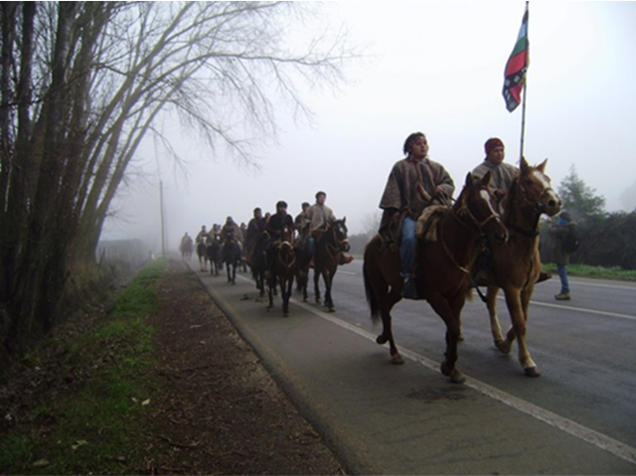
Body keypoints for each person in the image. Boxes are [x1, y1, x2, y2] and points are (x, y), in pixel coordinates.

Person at [378, 132, 455, 299]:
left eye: (425, 143)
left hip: (436, 212)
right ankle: (407, 277)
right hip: (411, 214)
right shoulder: (400, 167)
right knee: (410, 238)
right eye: (418, 143)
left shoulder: (436, 167)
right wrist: (396, 211)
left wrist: (443, 187)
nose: (423, 146)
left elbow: (449, 183)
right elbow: (393, 191)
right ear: (409, 147)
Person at [471, 137, 551, 285]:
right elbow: (479, 190)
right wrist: (494, 192)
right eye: (496, 151)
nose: (499, 154)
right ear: (488, 153)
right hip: (492, 213)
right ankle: (483, 269)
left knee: (531, 234)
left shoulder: (512, 170)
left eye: (501, 150)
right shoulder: (479, 171)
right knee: (484, 238)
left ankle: (535, 268)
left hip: (511, 215)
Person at [305, 191, 354, 266]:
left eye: (324, 197)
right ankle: (312, 259)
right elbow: (305, 218)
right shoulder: (311, 208)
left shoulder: (328, 210)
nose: (322, 199)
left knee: (336, 240)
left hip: (326, 231)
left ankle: (342, 257)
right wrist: (308, 224)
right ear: (317, 198)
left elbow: (333, 219)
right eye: (320, 197)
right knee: (311, 243)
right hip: (315, 231)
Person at [549, 210, 575, 300]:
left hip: (562, 254)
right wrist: (554, 223)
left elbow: (552, 231)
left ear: (564, 219)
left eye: (560, 219)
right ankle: (564, 290)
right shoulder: (567, 227)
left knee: (562, 272)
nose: (559, 220)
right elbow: (557, 228)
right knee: (562, 271)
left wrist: (550, 224)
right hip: (564, 253)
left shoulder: (564, 229)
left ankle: (566, 291)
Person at [266, 201, 295, 270]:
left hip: (287, 238)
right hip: (276, 237)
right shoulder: (273, 218)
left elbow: (292, 226)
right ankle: (269, 269)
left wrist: (290, 231)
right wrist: (276, 232)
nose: (282, 209)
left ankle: (298, 269)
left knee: (299, 248)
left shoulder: (289, 217)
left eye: (284, 207)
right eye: (281, 207)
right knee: (269, 248)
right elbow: (268, 228)